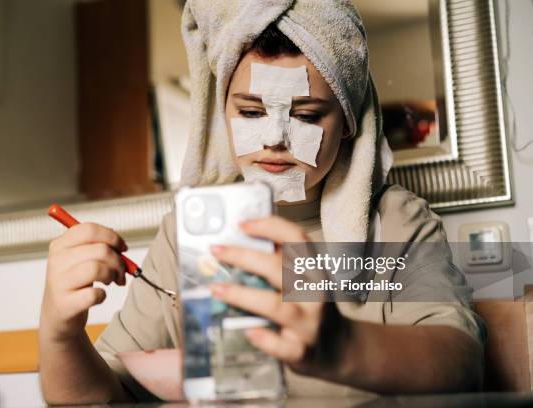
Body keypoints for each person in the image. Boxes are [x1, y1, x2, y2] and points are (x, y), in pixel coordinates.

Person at [38, 0, 485, 404]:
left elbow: (463, 363)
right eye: (251, 113)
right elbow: (103, 396)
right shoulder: (189, 232)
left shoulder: (398, 221)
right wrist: (60, 335)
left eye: (306, 115)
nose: (273, 139)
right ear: (222, 113)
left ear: (348, 121)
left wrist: (343, 346)